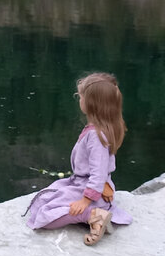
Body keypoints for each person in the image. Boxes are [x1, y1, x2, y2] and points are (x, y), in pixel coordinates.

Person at [25, 72, 133, 245]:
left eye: (81, 96)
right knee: (44, 199)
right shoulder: (100, 129)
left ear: (91, 104)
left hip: (91, 191)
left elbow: (97, 174)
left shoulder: (96, 136)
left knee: (45, 217)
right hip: (89, 185)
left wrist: (85, 201)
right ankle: (92, 213)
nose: (79, 99)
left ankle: (92, 215)